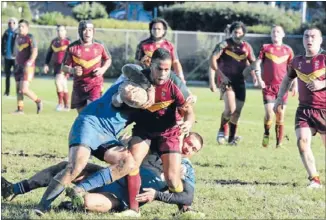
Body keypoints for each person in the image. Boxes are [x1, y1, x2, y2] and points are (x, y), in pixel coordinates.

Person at [66, 48, 195, 217]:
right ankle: (134, 209)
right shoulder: (139, 78)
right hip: (144, 130)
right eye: (159, 68)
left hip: (168, 132)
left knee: (172, 177)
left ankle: (185, 210)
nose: (163, 73)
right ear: (151, 65)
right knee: (131, 163)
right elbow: (117, 97)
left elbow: (189, 110)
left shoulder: (175, 83)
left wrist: (188, 122)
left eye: (167, 69)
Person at [33, 64, 154, 215]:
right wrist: (140, 94)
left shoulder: (152, 97)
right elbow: (120, 95)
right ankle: (41, 207)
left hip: (107, 135)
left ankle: (79, 189)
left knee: (128, 162)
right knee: (75, 167)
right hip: (90, 123)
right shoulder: (130, 82)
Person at [1, 132, 204, 218]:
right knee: (67, 167)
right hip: (109, 175)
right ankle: (14, 189)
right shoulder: (157, 148)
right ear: (183, 138)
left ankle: (71, 205)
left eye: (193, 149)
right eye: (188, 143)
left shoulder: (185, 168)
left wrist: (156, 195)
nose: (188, 148)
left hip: (119, 198)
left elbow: (186, 197)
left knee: (87, 202)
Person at [274, 27, 325, 188]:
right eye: (306, 36)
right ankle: (314, 179)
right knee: (302, 142)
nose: (309, 39)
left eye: (313, 36)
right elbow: (286, 81)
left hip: (324, 110)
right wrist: (279, 99)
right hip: (304, 110)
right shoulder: (297, 61)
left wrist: (322, 83)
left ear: (320, 40)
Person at [209, 21, 257, 145]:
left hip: (240, 82)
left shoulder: (247, 47)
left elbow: (253, 62)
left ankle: (231, 138)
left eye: (240, 33)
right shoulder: (224, 45)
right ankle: (221, 130)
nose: (237, 34)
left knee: (237, 112)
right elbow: (213, 60)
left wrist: (254, 74)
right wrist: (220, 76)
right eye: (235, 32)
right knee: (230, 109)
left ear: (244, 34)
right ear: (231, 32)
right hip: (226, 81)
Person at [255, 25, 296, 148]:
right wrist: (259, 79)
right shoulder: (266, 48)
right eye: (273, 32)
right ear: (271, 34)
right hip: (268, 87)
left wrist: (295, 85)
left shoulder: (288, 50)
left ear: (283, 34)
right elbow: (257, 64)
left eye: (278, 32)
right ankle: (266, 133)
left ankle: (279, 143)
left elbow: (293, 69)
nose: (276, 33)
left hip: (282, 88)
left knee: (280, 114)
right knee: (269, 114)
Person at [61, 20, 112, 113]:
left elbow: (108, 59)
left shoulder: (99, 45)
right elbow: (63, 67)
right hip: (79, 86)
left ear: (93, 31)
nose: (87, 33)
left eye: (90, 30)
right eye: (84, 30)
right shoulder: (72, 47)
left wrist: (102, 69)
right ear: (80, 31)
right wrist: (72, 70)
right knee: (82, 116)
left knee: (91, 112)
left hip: (95, 85)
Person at [135, 18, 186, 84]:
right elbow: (137, 63)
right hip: (147, 78)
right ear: (150, 30)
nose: (156, 31)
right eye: (154, 29)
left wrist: (181, 76)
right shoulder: (142, 45)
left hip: (166, 78)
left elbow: (176, 62)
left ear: (164, 31)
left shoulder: (170, 45)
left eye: (159, 29)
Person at [13, 19, 42, 114]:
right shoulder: (17, 38)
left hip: (27, 67)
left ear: (27, 28)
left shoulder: (30, 37)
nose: (20, 28)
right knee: (18, 89)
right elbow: (16, 51)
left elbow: (35, 51)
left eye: (22, 26)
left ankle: (38, 101)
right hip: (18, 66)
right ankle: (20, 109)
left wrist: (30, 61)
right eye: (19, 26)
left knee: (24, 89)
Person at [43, 25, 71, 111]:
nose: (60, 32)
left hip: (65, 66)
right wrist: (46, 64)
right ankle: (66, 105)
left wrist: (71, 65)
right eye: (58, 30)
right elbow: (49, 53)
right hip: (56, 66)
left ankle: (60, 104)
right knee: (63, 85)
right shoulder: (54, 42)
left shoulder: (68, 42)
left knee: (58, 82)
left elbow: (74, 54)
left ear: (65, 32)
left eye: (62, 30)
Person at [1, 17, 18, 96]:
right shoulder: (6, 32)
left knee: (17, 76)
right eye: (9, 23)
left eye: (13, 23)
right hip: (7, 58)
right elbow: (2, 43)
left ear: (15, 24)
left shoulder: (18, 33)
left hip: (15, 58)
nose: (11, 24)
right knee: (7, 76)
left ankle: (18, 91)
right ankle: (7, 92)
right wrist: (3, 52)